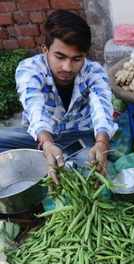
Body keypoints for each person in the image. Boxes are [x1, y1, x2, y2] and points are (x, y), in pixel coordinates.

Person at [0, 10, 117, 183]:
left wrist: (101, 143)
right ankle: (48, 157)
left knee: (90, 170)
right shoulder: (30, 69)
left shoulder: (94, 72)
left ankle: (53, 162)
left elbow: (102, 109)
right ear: (45, 49)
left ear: (85, 55)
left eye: (77, 59)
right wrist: (47, 143)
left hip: (79, 136)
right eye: (60, 57)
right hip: (39, 136)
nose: (67, 67)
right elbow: (34, 107)